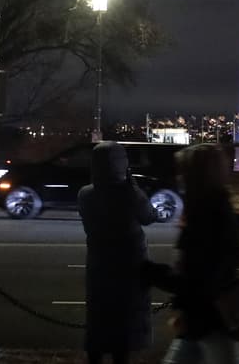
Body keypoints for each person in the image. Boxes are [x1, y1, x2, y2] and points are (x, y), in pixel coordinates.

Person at [144, 143, 239, 364]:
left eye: (183, 171)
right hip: (205, 320)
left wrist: (148, 271)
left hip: (211, 322)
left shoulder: (207, 217)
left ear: (197, 176)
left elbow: (199, 276)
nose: (178, 178)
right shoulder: (211, 210)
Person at [78, 141, 158, 364]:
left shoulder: (85, 194)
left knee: (98, 318)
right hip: (128, 265)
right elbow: (149, 216)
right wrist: (132, 186)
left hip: (98, 264)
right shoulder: (130, 194)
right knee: (123, 324)